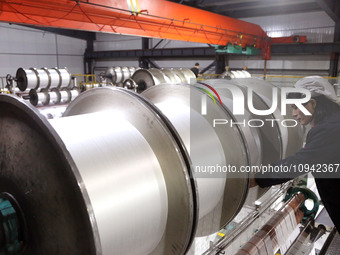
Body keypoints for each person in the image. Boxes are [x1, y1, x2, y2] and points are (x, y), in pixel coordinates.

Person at [251, 76, 340, 231]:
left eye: (295, 107)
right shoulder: (332, 122)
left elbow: (300, 163)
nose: (293, 113)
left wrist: (259, 177)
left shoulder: (328, 129)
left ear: (312, 103)